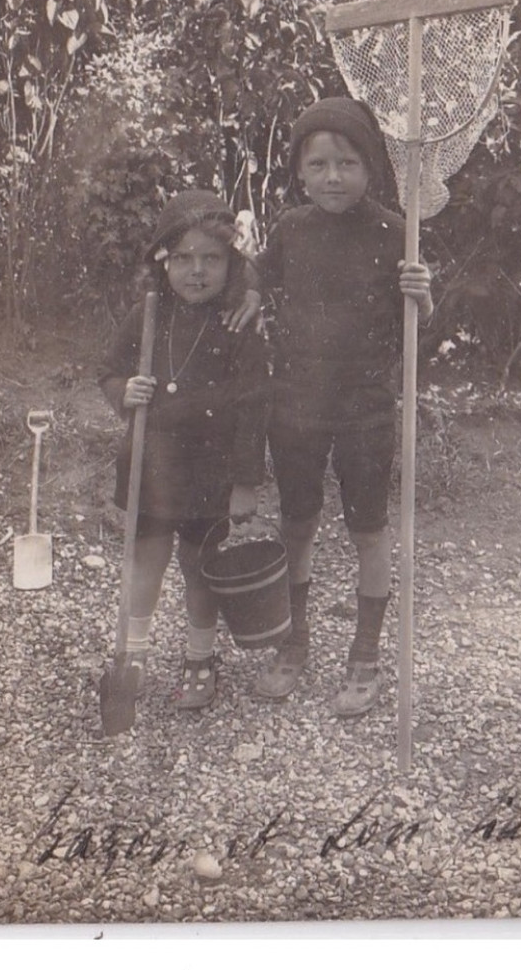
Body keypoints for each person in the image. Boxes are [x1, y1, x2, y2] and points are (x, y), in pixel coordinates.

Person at [254, 96, 434, 716]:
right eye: (320, 164)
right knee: (297, 522)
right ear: (300, 171)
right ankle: (293, 640)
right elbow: (254, 284)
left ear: (370, 170)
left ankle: (364, 653)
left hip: (364, 406)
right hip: (297, 402)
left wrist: (422, 295)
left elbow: (419, 329)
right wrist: (238, 295)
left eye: (349, 163)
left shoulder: (393, 231)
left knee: (367, 528)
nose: (334, 177)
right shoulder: (289, 230)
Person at [99, 190, 271, 710]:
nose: (196, 271)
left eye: (211, 259)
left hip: (210, 473)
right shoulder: (146, 315)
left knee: (200, 567)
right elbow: (108, 371)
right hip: (150, 467)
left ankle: (200, 656)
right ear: (163, 261)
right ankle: (130, 656)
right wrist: (123, 392)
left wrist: (244, 483)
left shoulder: (238, 324)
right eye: (183, 259)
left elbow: (254, 406)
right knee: (145, 562)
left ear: (230, 262)